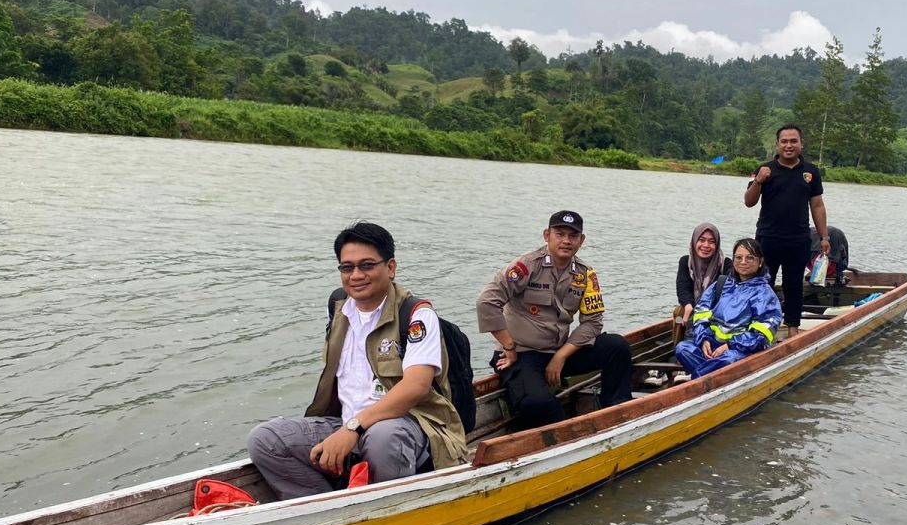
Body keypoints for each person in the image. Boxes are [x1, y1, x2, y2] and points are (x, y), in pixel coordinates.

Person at [247, 222, 468, 500]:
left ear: (390, 268)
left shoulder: (416, 315)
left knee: (383, 438)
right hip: (348, 423)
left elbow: (417, 387)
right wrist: (346, 428)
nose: (356, 275)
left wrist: (354, 427)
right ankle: (324, 509)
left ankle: (387, 508)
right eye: (347, 267)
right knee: (266, 439)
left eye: (366, 265)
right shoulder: (340, 310)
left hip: (407, 427)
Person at [476, 210, 634, 429]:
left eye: (573, 236)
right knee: (536, 403)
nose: (566, 241)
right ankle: (568, 431)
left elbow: (593, 322)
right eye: (560, 234)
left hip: (559, 352)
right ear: (546, 235)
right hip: (521, 356)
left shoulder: (585, 275)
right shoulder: (526, 267)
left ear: (582, 240)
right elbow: (486, 302)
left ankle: (617, 414)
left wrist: (561, 356)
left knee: (617, 347)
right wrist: (508, 345)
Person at [743, 124, 830, 338]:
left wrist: (824, 236)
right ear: (777, 144)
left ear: (801, 144)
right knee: (764, 283)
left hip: (798, 239)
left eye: (793, 141)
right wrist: (758, 181)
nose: (788, 145)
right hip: (768, 238)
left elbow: (817, 205)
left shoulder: (810, 172)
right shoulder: (765, 169)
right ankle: (760, 328)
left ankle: (792, 328)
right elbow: (749, 201)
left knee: (794, 285)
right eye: (784, 141)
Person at [674, 238, 783, 378]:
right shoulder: (721, 283)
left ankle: (696, 378)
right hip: (711, 345)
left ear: (760, 262)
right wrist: (704, 340)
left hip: (740, 350)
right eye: (738, 257)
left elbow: (762, 335)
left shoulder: (765, 294)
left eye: (750, 258)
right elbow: (701, 313)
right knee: (682, 348)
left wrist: (729, 346)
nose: (743, 262)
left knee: (729, 360)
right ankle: (712, 374)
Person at [646, 223, 734, 387]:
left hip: (717, 313)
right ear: (694, 241)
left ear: (717, 244)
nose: (706, 245)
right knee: (683, 312)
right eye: (702, 240)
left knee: (698, 317)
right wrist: (687, 305)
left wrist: (703, 311)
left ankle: (680, 364)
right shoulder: (686, 261)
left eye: (711, 241)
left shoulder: (726, 264)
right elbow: (683, 287)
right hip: (694, 311)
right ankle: (676, 363)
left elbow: (727, 294)